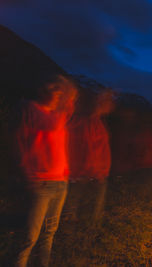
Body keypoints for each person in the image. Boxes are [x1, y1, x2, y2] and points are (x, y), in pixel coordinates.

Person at [15, 75, 77, 267]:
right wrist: (27, 173)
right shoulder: (30, 109)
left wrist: (65, 173)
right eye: (54, 88)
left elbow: (70, 100)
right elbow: (18, 143)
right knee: (29, 237)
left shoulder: (57, 115)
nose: (58, 93)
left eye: (60, 90)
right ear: (42, 89)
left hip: (60, 182)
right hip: (41, 182)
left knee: (49, 233)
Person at [66, 89, 114, 223]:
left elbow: (100, 149)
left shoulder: (98, 122)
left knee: (88, 201)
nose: (111, 105)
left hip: (96, 172)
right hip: (83, 172)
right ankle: (73, 226)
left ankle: (90, 223)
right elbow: (84, 149)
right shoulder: (82, 121)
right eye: (107, 101)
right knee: (76, 199)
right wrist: (89, 171)